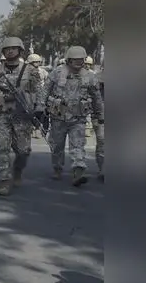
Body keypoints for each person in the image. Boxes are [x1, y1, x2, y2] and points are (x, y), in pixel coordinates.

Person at [0, 37, 43, 196]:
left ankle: (18, 170)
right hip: (2, 114)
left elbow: (39, 91)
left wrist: (40, 109)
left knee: (23, 151)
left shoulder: (30, 71)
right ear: (3, 52)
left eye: (14, 48)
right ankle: (4, 180)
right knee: (3, 148)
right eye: (7, 49)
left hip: (22, 115)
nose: (10, 51)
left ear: (20, 51)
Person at [36, 45, 104, 187]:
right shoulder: (57, 73)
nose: (79, 62)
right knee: (56, 146)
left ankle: (78, 172)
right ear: (69, 60)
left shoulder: (90, 76)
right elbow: (45, 91)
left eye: (81, 59)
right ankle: (57, 168)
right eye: (76, 59)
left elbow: (97, 97)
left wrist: (100, 114)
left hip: (78, 118)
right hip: (58, 117)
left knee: (78, 145)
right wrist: (40, 108)